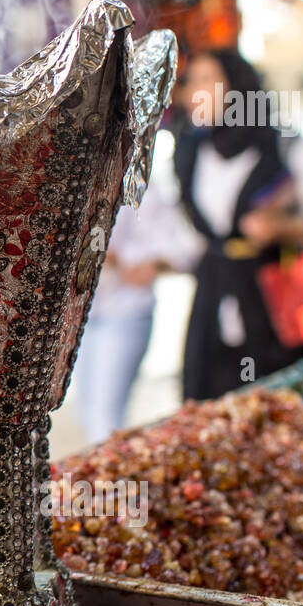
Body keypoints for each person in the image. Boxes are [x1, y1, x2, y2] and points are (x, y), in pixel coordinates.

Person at [173, 49, 303, 400]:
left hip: (278, 296)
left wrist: (285, 227)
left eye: (207, 81)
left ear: (239, 88)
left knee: (284, 401)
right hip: (214, 294)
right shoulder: (190, 153)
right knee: (212, 405)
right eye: (191, 83)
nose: (194, 94)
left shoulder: (288, 148)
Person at [72, 177, 196, 444]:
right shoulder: (76, 180)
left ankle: (109, 483)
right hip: (83, 312)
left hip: (125, 312)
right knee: (84, 408)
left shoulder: (142, 185)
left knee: (105, 417)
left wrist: (118, 256)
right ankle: (103, 480)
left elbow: (176, 250)